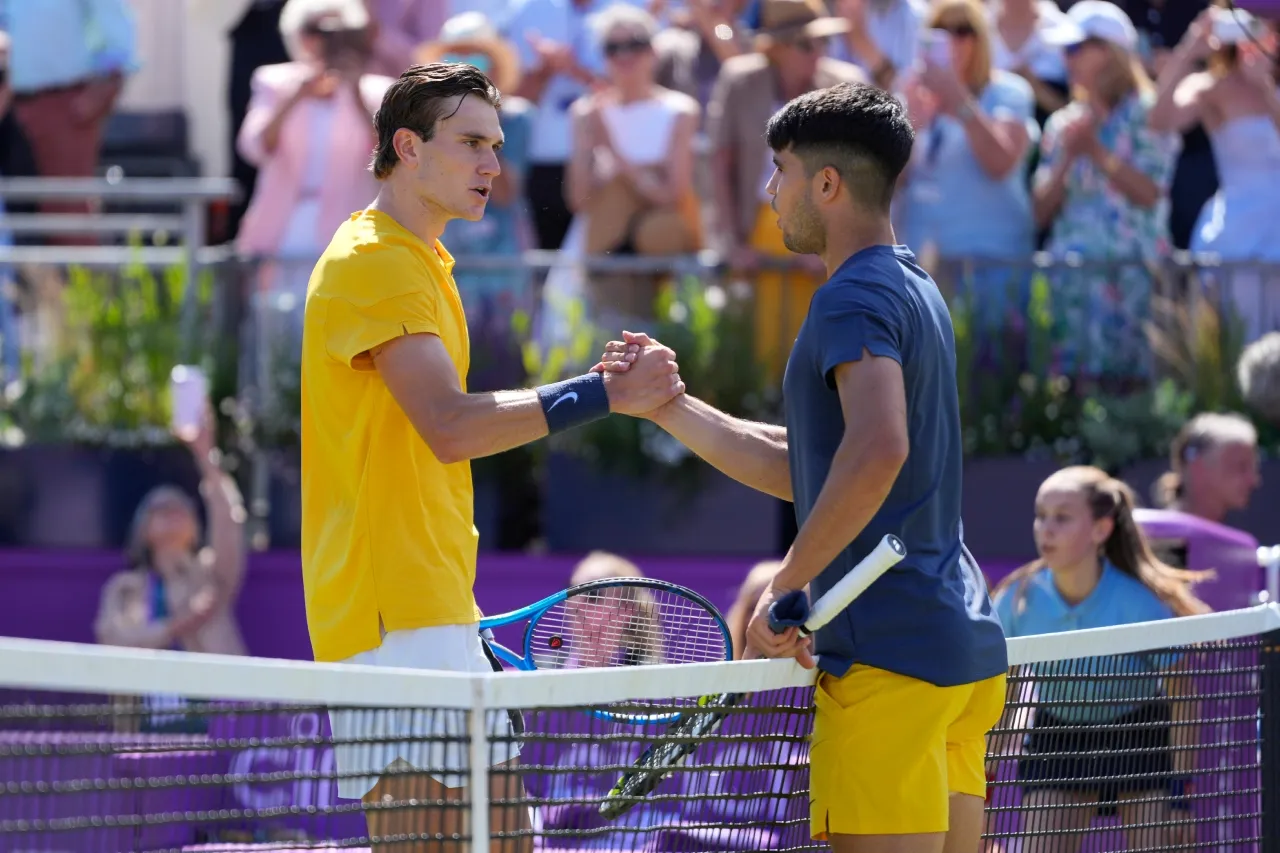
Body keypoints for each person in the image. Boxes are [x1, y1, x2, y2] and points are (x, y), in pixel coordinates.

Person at [596, 81, 1009, 853]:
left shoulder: (850, 297)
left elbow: (878, 449)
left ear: (827, 183)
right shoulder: (912, 285)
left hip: (892, 664)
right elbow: (815, 465)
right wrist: (671, 406)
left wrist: (786, 585)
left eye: (778, 170)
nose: (768, 191)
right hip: (957, 658)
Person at [298, 62, 684, 853]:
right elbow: (447, 424)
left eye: (497, 146)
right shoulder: (375, 257)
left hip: (430, 604)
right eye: (471, 143)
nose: (493, 166)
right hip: (390, 617)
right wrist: (600, 394)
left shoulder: (420, 259)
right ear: (407, 146)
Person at [989, 465, 1210, 852]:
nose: (1046, 529)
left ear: (1100, 530)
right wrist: (984, 781)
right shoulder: (1015, 602)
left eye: (1062, 518)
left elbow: (1183, 700)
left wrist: (1179, 797)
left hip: (1138, 739)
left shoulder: (1141, 606)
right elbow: (1000, 698)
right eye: (1041, 516)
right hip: (1057, 741)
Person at [94, 403, 249, 732]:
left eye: (181, 507)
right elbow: (114, 641)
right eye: (160, 508)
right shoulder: (122, 588)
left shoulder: (212, 576)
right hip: (142, 745)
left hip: (219, 741)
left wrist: (206, 454)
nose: (172, 510)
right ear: (143, 530)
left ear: (196, 527)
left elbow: (229, 521)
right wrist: (177, 625)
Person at [1153, 412, 1261, 523]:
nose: (1253, 481)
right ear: (1197, 468)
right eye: (1240, 467)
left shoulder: (1229, 538)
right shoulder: (1153, 535)